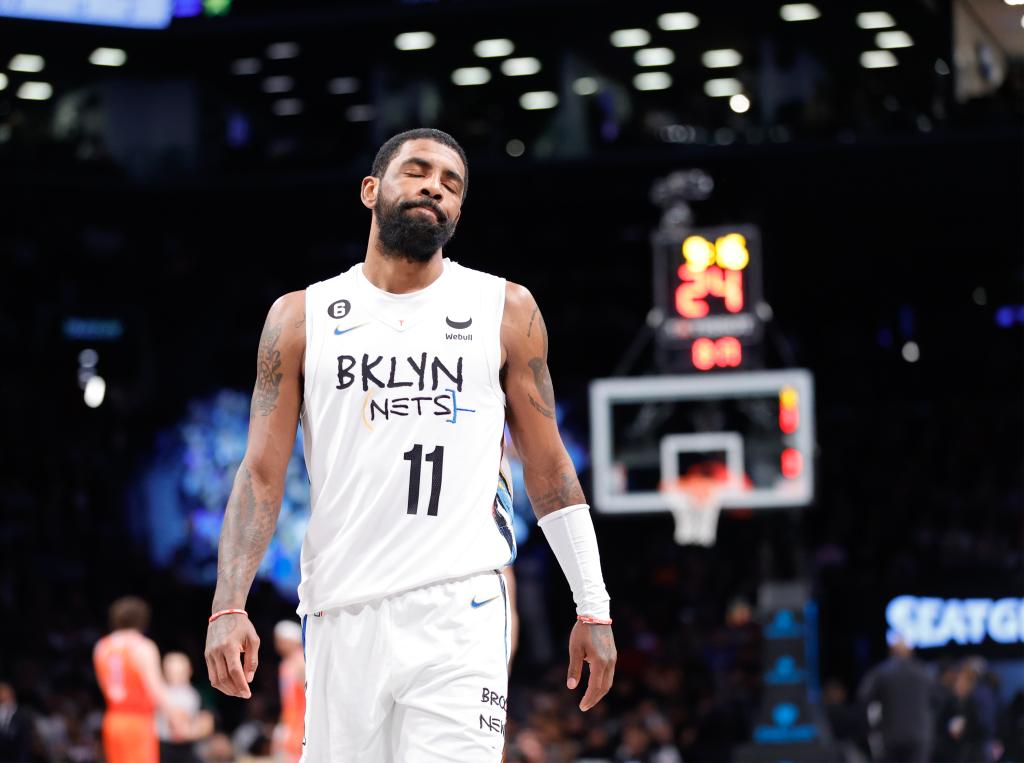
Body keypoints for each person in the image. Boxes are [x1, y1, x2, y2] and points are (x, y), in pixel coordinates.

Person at [204, 127, 616, 761]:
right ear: (371, 190)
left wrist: (593, 606)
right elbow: (260, 473)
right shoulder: (301, 317)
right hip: (342, 608)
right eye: (418, 171)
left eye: (452, 184)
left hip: (461, 606)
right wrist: (227, 604)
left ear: (457, 212)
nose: (434, 187)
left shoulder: (504, 308)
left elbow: (548, 464)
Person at [94, 596, 189, 763]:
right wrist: (174, 716)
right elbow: (155, 687)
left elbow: (104, 684)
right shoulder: (143, 646)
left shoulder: (101, 647)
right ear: (143, 620)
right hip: (138, 721)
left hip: (112, 720)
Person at [857, 635, 935, 763]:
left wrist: (870, 729)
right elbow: (937, 701)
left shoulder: (881, 672)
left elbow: (863, 699)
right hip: (920, 736)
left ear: (891, 651)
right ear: (910, 652)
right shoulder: (924, 672)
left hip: (891, 736)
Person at [272, 620, 306, 763]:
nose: (278, 644)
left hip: (300, 722)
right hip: (290, 720)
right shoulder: (286, 664)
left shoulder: (301, 662)